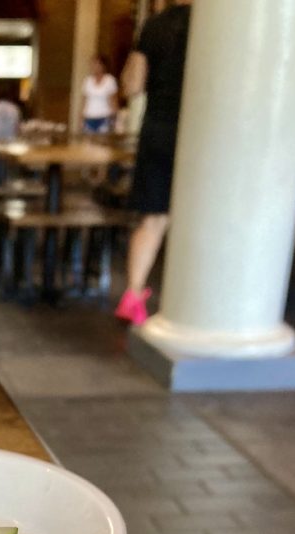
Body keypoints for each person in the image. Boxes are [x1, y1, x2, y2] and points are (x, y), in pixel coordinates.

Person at [115, 0, 193, 326]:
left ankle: (133, 296)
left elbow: (131, 86)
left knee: (153, 218)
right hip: (201, 133)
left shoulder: (155, 26)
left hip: (158, 129)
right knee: (199, 221)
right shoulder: (217, 26)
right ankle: (193, 303)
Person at [80, 55, 118, 133]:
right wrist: (81, 119)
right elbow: (84, 101)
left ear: (103, 66)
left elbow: (113, 101)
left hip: (104, 117)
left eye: (96, 64)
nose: (94, 67)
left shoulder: (110, 80)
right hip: (89, 117)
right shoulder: (87, 81)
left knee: (102, 142)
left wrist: (114, 119)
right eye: (92, 64)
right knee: (87, 143)